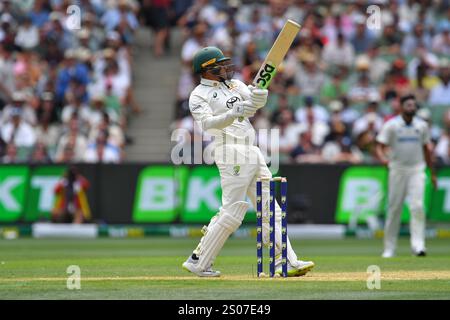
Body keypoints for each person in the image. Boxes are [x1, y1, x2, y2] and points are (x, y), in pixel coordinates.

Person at [182, 46, 315, 277]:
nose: (226, 68)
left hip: (252, 150)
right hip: (229, 151)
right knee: (233, 212)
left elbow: (252, 107)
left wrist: (259, 97)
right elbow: (206, 124)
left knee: (269, 207)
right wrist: (234, 112)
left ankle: (285, 261)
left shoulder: (235, 85)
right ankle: (199, 261)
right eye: (220, 65)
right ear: (207, 70)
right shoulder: (198, 95)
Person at [375, 94, 436, 258]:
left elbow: (427, 150)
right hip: (397, 169)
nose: (411, 107)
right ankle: (389, 248)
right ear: (401, 106)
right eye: (408, 105)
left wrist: (433, 174)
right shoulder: (392, 125)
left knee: (417, 207)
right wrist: (383, 159)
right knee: (394, 209)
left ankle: (418, 246)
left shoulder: (422, 126)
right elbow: (379, 146)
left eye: (413, 105)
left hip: (417, 170)